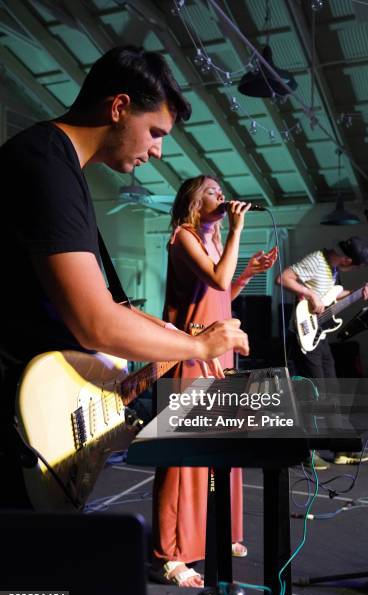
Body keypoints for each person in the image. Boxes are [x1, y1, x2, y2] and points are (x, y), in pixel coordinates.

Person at [0, 46, 250, 509]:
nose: (157, 150)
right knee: (26, 582)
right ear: (118, 108)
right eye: (155, 132)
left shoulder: (61, 169)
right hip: (19, 415)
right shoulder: (44, 164)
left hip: (34, 409)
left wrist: (170, 332)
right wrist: (199, 346)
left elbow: (112, 307)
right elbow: (96, 324)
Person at [152, 175, 278, 587]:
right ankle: (170, 554)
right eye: (211, 191)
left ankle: (214, 532)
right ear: (192, 199)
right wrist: (239, 230)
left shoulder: (211, 242)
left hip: (217, 351)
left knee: (220, 448)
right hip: (190, 351)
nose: (221, 196)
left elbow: (222, 291)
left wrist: (248, 273)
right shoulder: (184, 236)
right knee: (184, 457)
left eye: (222, 191)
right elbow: (218, 281)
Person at [275, 236, 368, 469]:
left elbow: (329, 295)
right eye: (355, 265)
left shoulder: (332, 269)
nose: (352, 268)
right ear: (348, 259)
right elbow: (283, 278)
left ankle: (341, 448)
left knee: (332, 391)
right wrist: (309, 295)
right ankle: (305, 452)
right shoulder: (316, 260)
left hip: (319, 336)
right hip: (303, 335)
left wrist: (356, 293)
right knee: (311, 394)